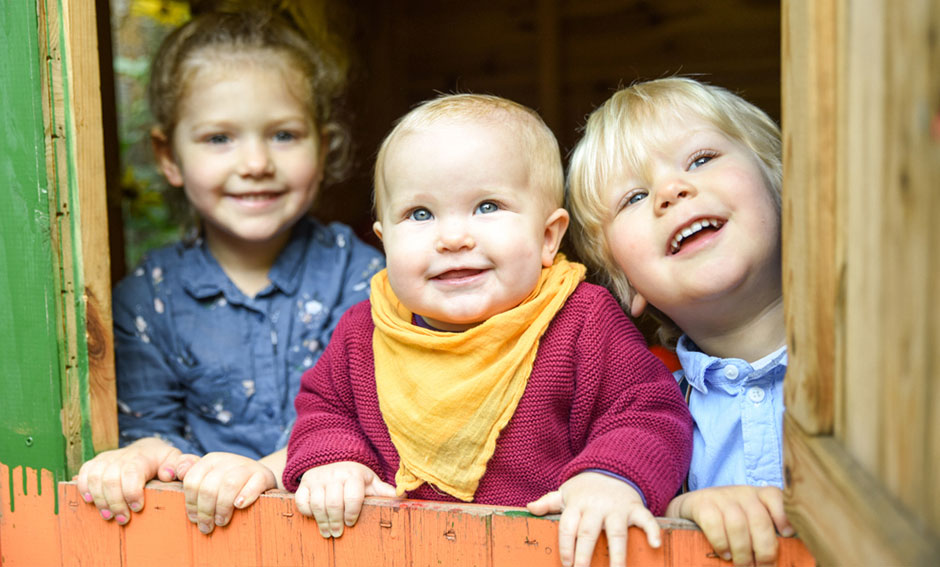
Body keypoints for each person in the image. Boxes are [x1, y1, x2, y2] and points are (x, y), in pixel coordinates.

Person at [283, 93, 693, 567]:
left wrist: (611, 476)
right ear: (384, 241)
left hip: (543, 554)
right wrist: (335, 460)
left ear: (547, 237)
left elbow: (648, 409)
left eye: (487, 206)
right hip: (394, 552)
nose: (454, 238)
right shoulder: (366, 330)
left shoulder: (582, 318)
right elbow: (324, 407)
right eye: (420, 214)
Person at [75, 10, 384, 535]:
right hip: (202, 540)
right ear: (168, 156)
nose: (256, 162)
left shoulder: (367, 278)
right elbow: (151, 432)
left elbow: (384, 422)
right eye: (219, 138)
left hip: (345, 534)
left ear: (324, 145)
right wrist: (142, 454)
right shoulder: (147, 300)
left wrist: (266, 471)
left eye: (284, 135)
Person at [566, 77, 795, 567]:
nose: (671, 191)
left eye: (701, 159)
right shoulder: (640, 413)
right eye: (633, 197)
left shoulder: (886, 354)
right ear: (627, 285)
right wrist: (680, 511)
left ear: (781, 183)